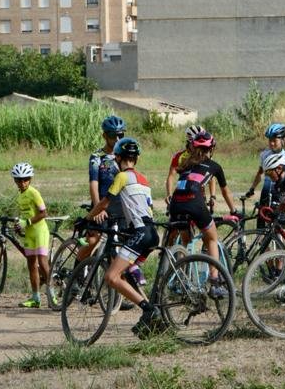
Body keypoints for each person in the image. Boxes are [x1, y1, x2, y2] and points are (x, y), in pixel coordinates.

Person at [84, 138, 162, 336]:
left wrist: (87, 218)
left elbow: (105, 203)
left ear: (118, 158)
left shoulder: (121, 176)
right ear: (136, 159)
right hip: (152, 234)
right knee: (126, 272)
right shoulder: (143, 179)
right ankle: (150, 317)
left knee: (111, 277)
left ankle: (148, 310)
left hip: (140, 233)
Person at [169, 131, 239, 296]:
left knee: (186, 242)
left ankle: (181, 280)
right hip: (194, 203)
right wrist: (234, 211)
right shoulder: (214, 166)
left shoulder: (186, 163)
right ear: (212, 148)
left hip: (175, 204)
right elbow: (225, 191)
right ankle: (214, 282)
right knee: (211, 238)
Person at [79, 115, 126, 264]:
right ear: (104, 136)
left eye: (120, 135)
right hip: (101, 203)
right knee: (92, 240)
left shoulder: (125, 156)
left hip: (120, 207)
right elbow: (94, 183)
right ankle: (76, 273)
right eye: (113, 135)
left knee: (121, 244)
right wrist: (98, 208)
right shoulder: (97, 157)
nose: (117, 139)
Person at [10, 162, 50, 308]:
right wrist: (20, 225)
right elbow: (25, 214)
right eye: (19, 180)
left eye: (25, 179)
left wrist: (26, 222)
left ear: (30, 179)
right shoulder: (20, 195)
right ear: (15, 180)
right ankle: (35, 298)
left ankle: (52, 295)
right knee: (31, 265)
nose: (22, 183)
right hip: (29, 233)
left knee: (43, 263)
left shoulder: (34, 193)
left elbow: (43, 213)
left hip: (40, 231)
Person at [246, 123, 285, 219]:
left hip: (280, 195)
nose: (271, 143)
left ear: (283, 140)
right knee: (261, 222)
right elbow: (260, 173)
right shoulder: (264, 155)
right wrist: (252, 189)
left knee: (278, 223)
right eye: (270, 140)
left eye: (274, 140)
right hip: (265, 193)